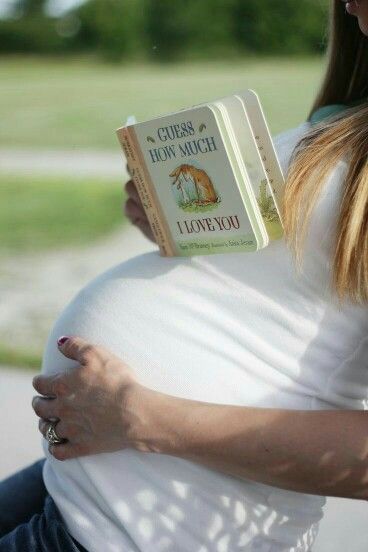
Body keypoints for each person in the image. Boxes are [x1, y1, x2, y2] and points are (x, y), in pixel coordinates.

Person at [1, 0, 368, 550]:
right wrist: (180, 226)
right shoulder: (347, 114)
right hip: (98, 484)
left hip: (156, 519)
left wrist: (142, 417)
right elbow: (297, 283)